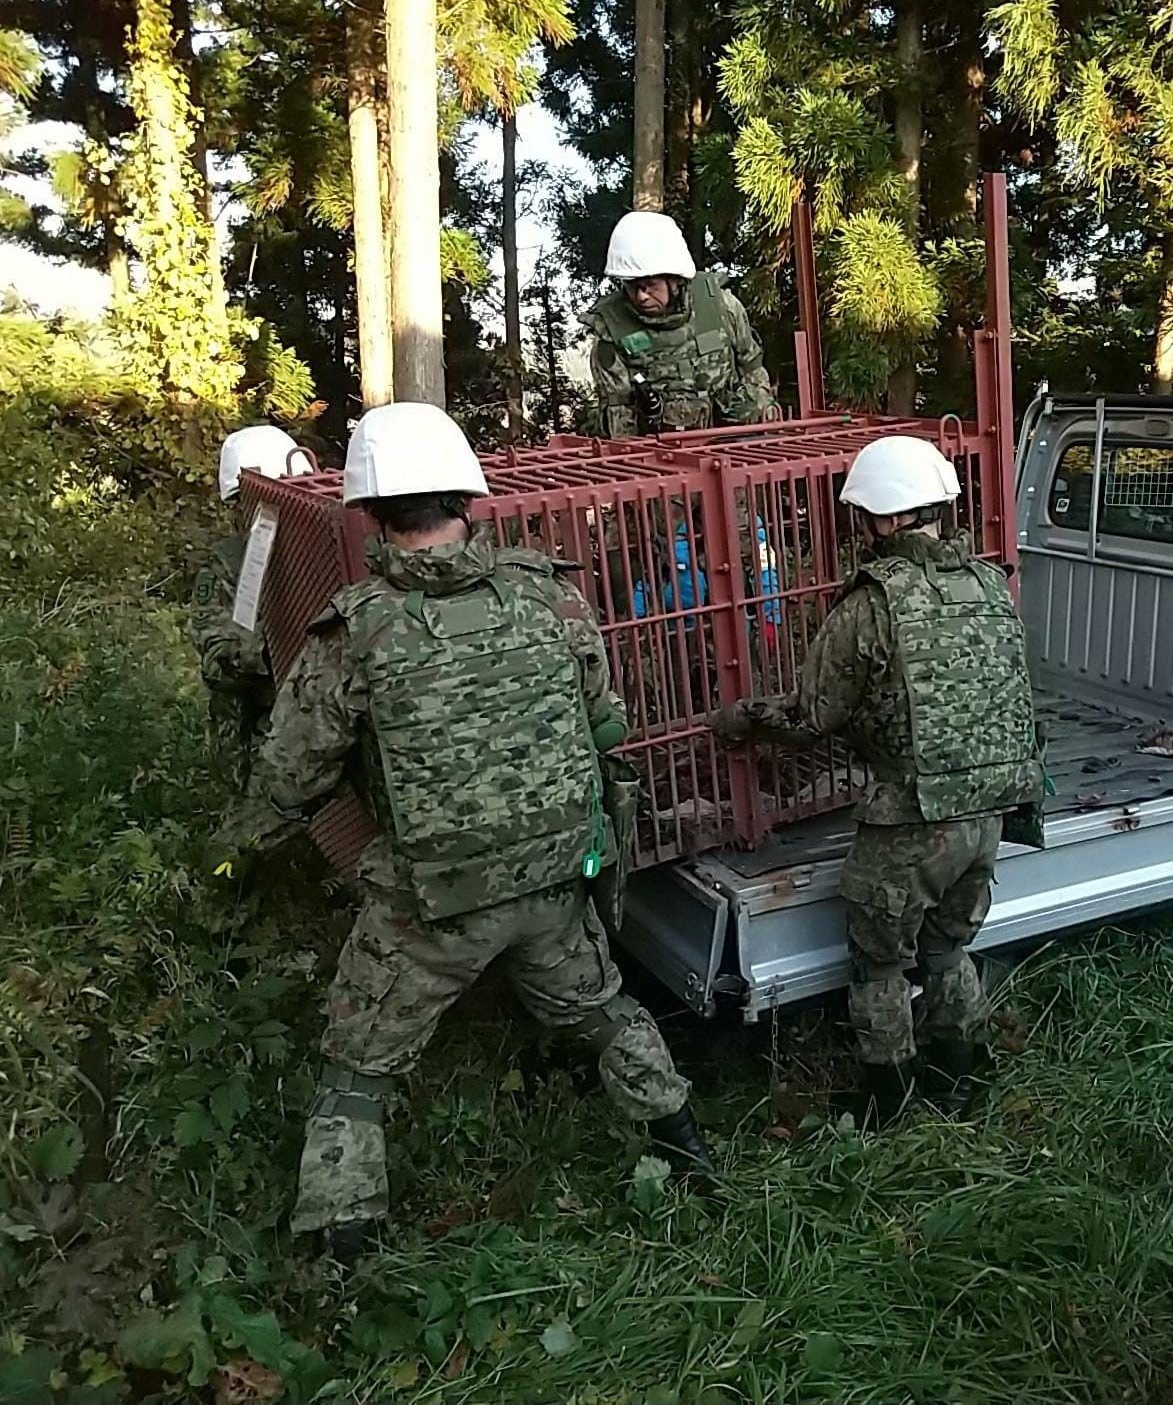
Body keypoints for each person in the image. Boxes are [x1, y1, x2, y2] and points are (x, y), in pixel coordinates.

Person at [217, 402, 710, 1262]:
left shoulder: (356, 629)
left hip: (432, 905)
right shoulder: (548, 594)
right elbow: (606, 721)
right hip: (555, 879)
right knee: (602, 1012)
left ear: (369, 510)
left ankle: (343, 1260)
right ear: (467, 496)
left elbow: (289, 774)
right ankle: (691, 1155)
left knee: (358, 1064)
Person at [712, 435, 1044, 1123]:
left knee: (880, 964)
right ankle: (960, 1078)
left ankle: (887, 1100)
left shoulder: (872, 604)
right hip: (991, 808)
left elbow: (812, 715)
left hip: (911, 819)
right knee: (947, 949)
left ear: (886, 518)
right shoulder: (989, 584)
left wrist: (739, 719)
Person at [583, 210, 780, 437]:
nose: (641, 296)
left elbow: (753, 371)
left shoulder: (721, 306)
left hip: (736, 441)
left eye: (650, 285)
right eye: (631, 286)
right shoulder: (612, 329)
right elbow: (620, 416)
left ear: (674, 280)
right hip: (663, 450)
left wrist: (763, 427)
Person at [190, 425, 312, 792]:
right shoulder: (227, 564)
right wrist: (274, 652)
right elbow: (216, 657)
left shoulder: (323, 552)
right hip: (258, 741)